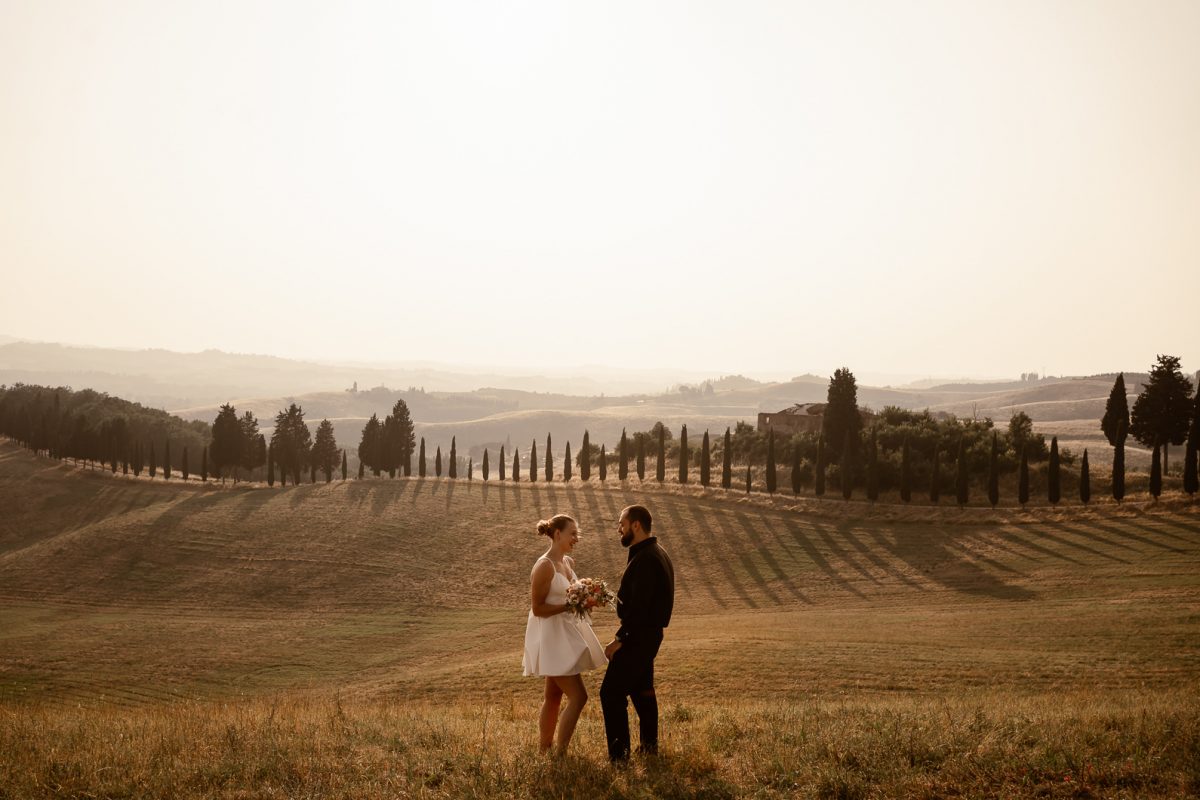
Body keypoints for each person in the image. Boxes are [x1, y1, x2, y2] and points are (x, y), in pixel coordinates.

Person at [522, 513, 607, 755]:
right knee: (579, 697)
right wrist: (570, 606)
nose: (576, 538)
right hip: (552, 638)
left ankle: (544, 751)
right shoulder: (544, 566)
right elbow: (538, 609)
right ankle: (560, 754)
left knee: (553, 696)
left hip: (565, 634)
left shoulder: (567, 562)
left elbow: (572, 594)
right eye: (573, 533)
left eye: (577, 534)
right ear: (558, 534)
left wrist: (589, 599)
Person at [600, 504, 674, 762]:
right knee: (643, 691)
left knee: (611, 693)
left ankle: (619, 758)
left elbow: (640, 608)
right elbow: (639, 599)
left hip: (639, 636)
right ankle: (649, 747)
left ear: (636, 525)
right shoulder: (654, 552)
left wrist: (620, 639)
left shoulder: (647, 558)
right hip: (648, 635)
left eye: (622, 524)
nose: (618, 529)